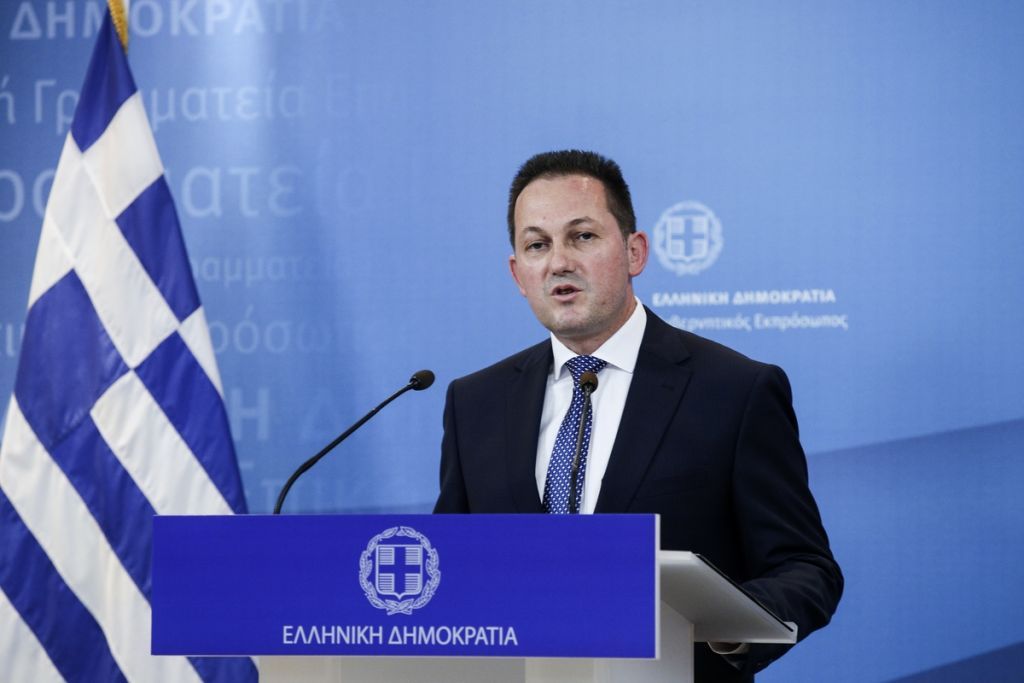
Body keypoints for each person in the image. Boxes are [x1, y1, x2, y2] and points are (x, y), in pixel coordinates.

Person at [434, 150, 842, 681]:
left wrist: (728, 625)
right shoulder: (476, 402)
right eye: (537, 245)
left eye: (582, 236)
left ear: (634, 251)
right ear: (518, 273)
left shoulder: (734, 391)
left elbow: (806, 567)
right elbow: (450, 566)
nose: (559, 262)